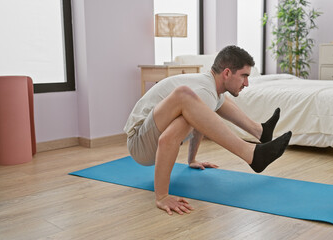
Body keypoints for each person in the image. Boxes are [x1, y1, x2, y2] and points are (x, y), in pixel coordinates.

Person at [124, 45, 292, 215]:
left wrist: (192, 159)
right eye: (244, 76)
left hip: (148, 138)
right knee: (185, 94)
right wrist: (162, 196)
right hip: (140, 143)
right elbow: (167, 140)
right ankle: (251, 154)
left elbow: (200, 122)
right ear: (226, 73)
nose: (247, 83)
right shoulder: (204, 91)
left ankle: (259, 131)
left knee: (213, 101)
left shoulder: (209, 88)